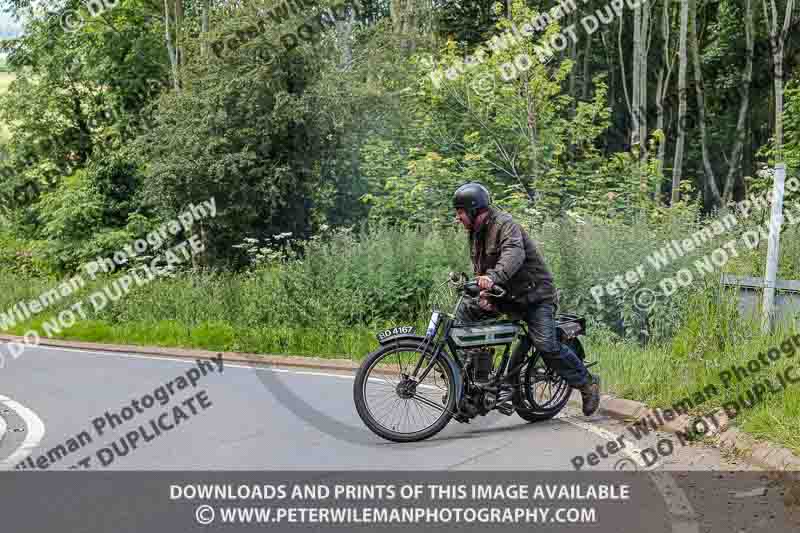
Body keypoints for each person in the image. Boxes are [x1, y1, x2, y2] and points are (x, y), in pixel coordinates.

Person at [452, 182, 600, 416]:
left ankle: (587, 383)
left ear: (474, 210)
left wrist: (493, 278)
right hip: (506, 297)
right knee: (463, 315)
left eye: (460, 212)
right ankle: (469, 384)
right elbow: (480, 268)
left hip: (535, 297)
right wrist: (484, 293)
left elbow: (513, 253)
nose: (457, 218)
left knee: (546, 345)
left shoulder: (505, 225)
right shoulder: (475, 233)